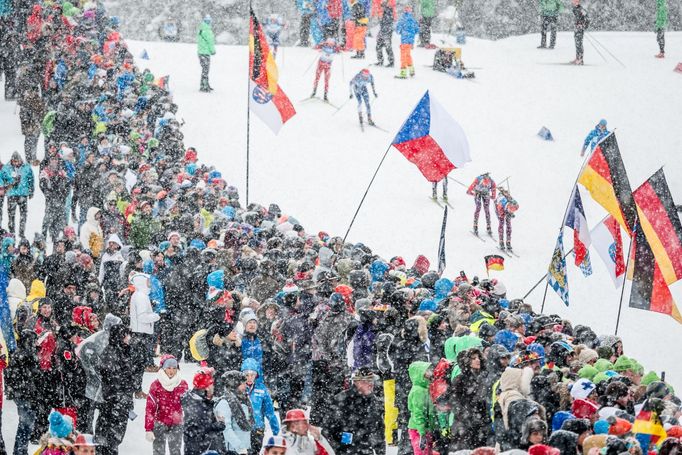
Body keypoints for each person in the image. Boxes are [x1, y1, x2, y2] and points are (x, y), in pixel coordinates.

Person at [326, 367, 386, 454]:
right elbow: (330, 430)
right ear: (356, 382)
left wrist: (380, 451)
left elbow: (379, 430)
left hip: (367, 451)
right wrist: (348, 443)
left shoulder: (374, 402)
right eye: (366, 381)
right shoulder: (342, 399)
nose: (370, 384)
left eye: (372, 381)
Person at [144, 355, 188, 455]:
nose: (171, 371)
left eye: (174, 368)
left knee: (175, 451)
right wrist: (149, 429)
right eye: (168, 368)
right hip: (160, 422)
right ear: (163, 368)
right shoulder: (156, 385)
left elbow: (188, 405)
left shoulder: (182, 384)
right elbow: (150, 409)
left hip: (177, 423)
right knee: (158, 452)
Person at [182, 367, 226, 455]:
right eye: (211, 384)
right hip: (200, 450)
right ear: (206, 388)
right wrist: (219, 425)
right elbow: (198, 431)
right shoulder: (197, 405)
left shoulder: (198, 400)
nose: (213, 387)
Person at [242, 359, 280, 455]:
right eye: (247, 375)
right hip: (241, 429)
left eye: (252, 375)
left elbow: (270, 412)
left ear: (256, 375)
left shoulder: (262, 389)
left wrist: (276, 432)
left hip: (257, 429)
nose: (249, 378)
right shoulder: (238, 388)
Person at [214, 370, 254, 454]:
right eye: (242, 383)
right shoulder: (224, 403)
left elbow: (248, 425)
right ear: (234, 384)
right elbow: (226, 429)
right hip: (233, 450)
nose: (245, 386)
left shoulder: (245, 400)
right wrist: (240, 448)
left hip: (246, 449)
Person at [1, 151, 34, 239]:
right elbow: (2, 179)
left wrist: (31, 190)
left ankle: (22, 232)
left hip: (23, 193)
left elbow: (31, 179)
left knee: (23, 214)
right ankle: (12, 232)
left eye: (17, 161)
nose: (15, 163)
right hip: (11, 194)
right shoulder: (6, 168)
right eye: (14, 161)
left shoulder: (26, 167)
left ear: (20, 160)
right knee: (11, 214)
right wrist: (9, 184)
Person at [395, 6, 419, 78]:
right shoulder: (413, 19)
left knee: (403, 57)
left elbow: (398, 30)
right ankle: (412, 71)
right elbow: (417, 30)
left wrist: (402, 31)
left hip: (404, 40)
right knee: (408, 56)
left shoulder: (402, 19)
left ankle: (403, 73)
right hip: (410, 42)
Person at [197, 15, 216, 92]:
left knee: (204, 69)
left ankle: (204, 84)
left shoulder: (200, 29)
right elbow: (210, 42)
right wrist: (213, 51)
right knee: (206, 70)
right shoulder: (208, 31)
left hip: (200, 52)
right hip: (206, 53)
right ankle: (204, 86)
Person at [375, 1, 395, 67]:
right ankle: (380, 61)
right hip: (383, 31)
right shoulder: (385, 12)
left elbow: (388, 22)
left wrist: (384, 31)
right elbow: (383, 23)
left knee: (387, 47)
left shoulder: (388, 11)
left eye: (382, 6)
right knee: (378, 46)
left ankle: (391, 62)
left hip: (387, 32)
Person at [571, 0, 588, 65]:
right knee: (577, 43)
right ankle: (577, 58)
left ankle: (580, 59)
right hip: (576, 28)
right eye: (573, 1)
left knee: (579, 43)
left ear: (578, 2)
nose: (574, 2)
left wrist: (583, 25)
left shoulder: (581, 9)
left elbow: (588, 19)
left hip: (580, 29)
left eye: (575, 1)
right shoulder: (575, 9)